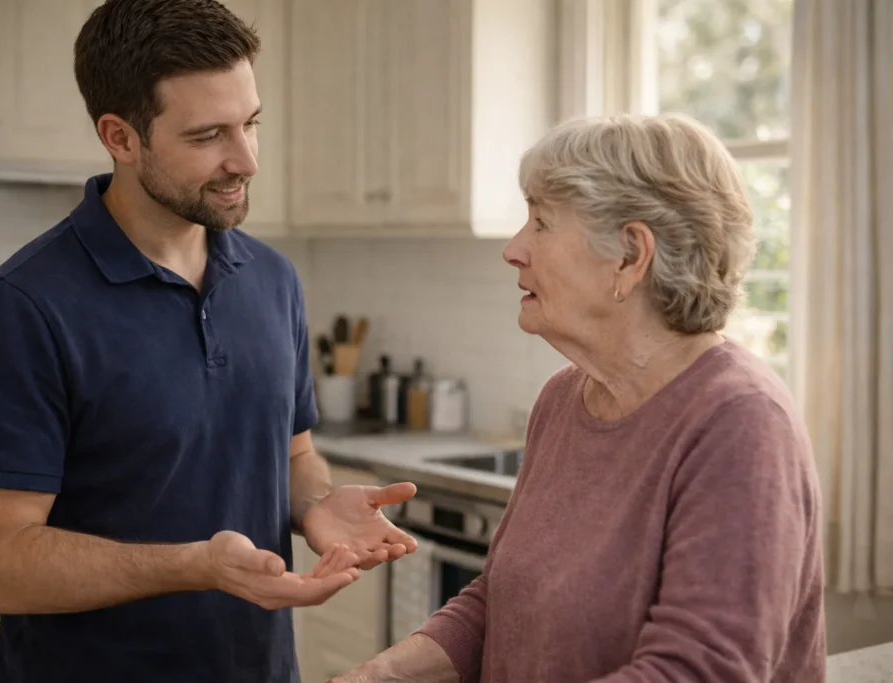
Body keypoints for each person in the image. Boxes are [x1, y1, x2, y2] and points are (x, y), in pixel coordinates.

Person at [0, 1, 417, 681]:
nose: (246, 159)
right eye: (208, 135)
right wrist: (196, 566)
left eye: (251, 123)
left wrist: (313, 505)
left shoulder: (274, 280)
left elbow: (294, 453)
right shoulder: (18, 309)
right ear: (121, 137)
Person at [331, 113, 826, 682]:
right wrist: (380, 676)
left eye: (540, 221)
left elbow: (697, 672)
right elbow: (502, 603)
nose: (513, 249)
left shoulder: (740, 423)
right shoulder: (565, 398)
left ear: (630, 255)